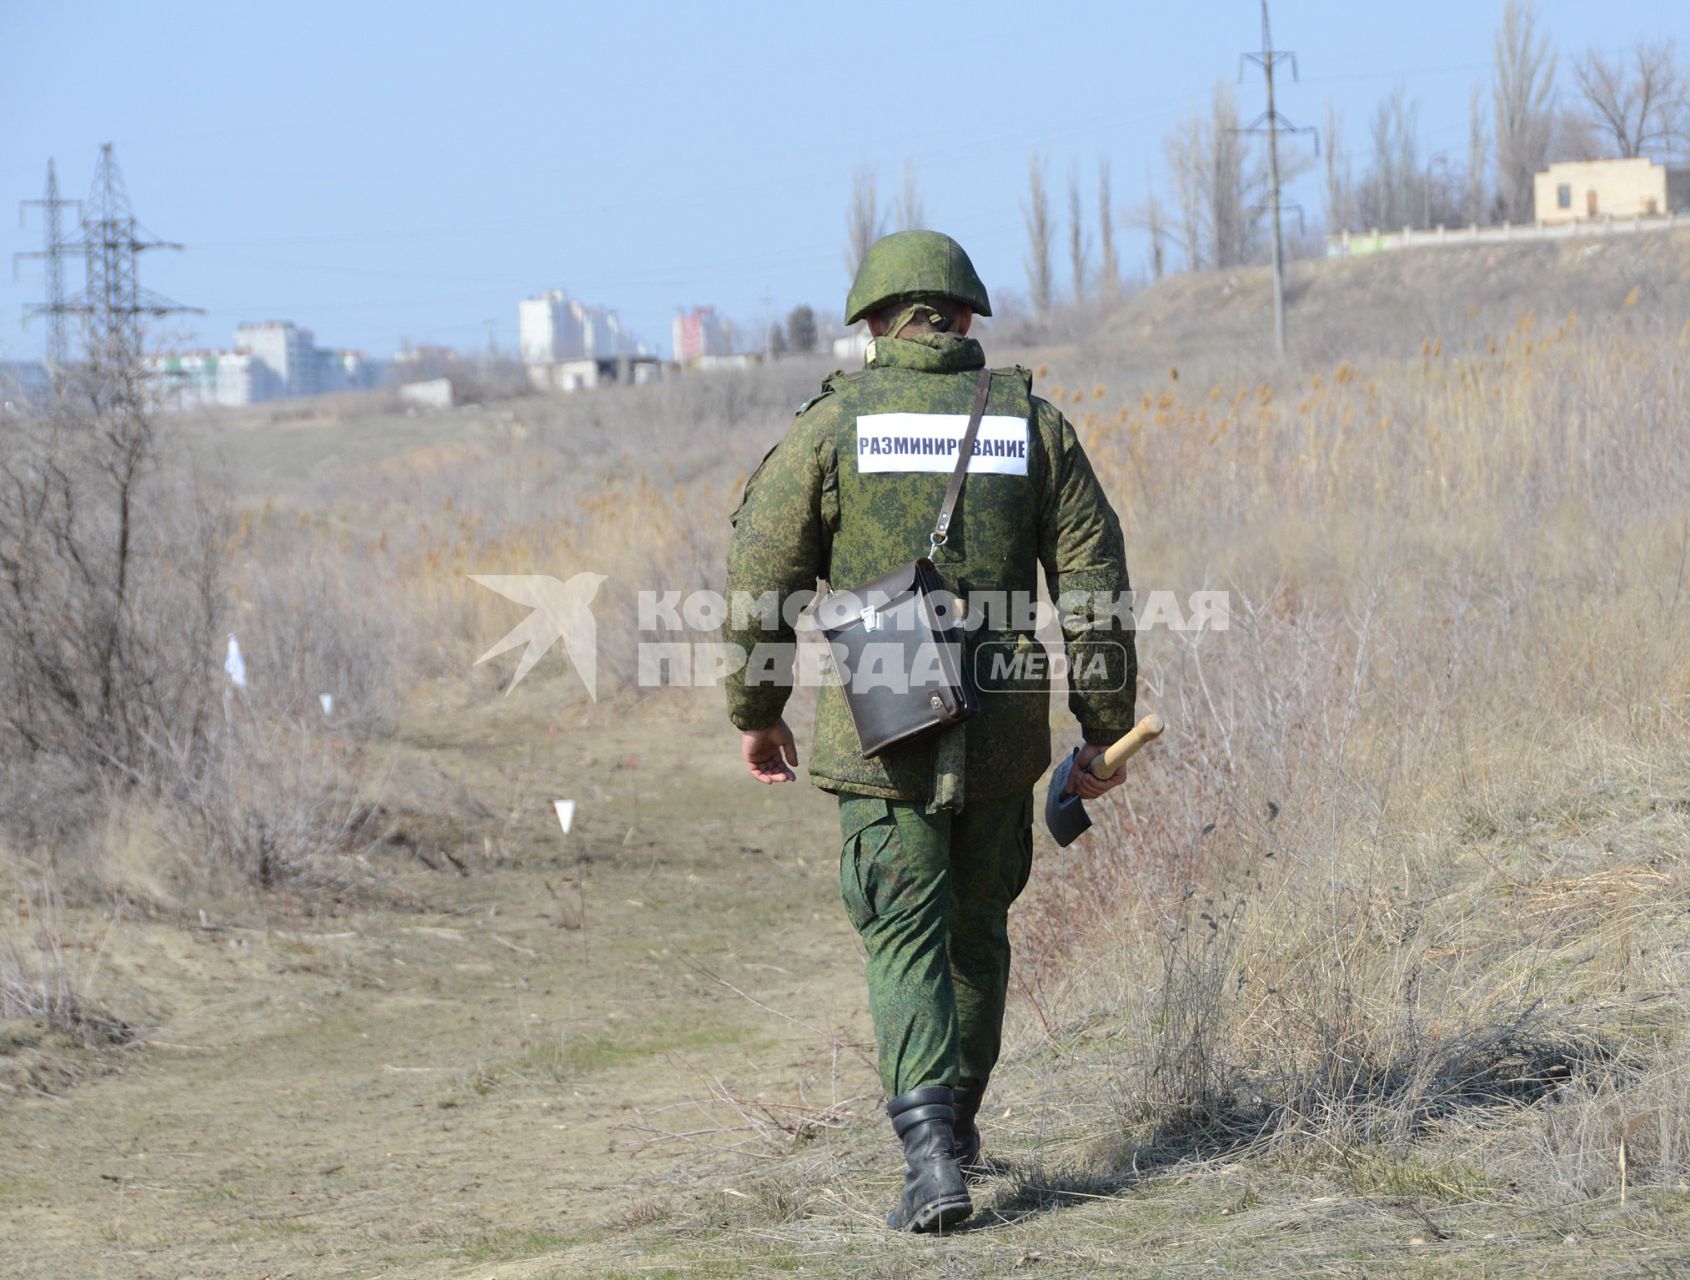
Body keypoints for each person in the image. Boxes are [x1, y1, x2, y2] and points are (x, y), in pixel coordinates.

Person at [723, 229, 1136, 1232]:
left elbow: (761, 578)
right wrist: (1103, 726)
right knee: (977, 934)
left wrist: (756, 707)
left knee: (902, 934)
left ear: (874, 320)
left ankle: (929, 1160)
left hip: (883, 731)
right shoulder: (1032, 424)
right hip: (1000, 738)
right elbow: (1093, 589)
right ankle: (954, 1129)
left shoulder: (830, 427)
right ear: (963, 318)